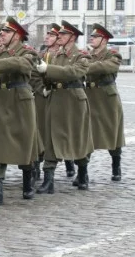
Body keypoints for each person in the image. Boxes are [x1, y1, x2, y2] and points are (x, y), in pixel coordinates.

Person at [0, 16, 39, 206]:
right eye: (2, 31)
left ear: (17, 35)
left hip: (20, 98)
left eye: (7, 31)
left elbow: (22, 64)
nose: (1, 34)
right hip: (1, 98)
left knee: (24, 141)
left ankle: (28, 182)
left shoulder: (27, 51)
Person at [36, 20, 93, 191]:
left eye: (63, 34)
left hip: (74, 100)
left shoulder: (82, 56)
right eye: (58, 34)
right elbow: (48, 76)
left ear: (72, 37)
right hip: (56, 98)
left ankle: (82, 173)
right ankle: (49, 180)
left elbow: (73, 72)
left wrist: (48, 70)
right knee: (51, 137)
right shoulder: (54, 55)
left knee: (77, 138)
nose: (59, 36)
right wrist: (43, 79)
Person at [85, 23, 125, 181]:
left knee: (112, 133)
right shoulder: (87, 55)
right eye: (92, 37)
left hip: (107, 99)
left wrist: (83, 66)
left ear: (104, 40)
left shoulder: (113, 55)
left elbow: (106, 68)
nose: (92, 39)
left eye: (96, 37)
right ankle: (83, 171)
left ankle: (116, 165)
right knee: (86, 134)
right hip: (89, 96)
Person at [32, 23, 61, 183]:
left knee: (58, 132)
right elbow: (33, 74)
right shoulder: (41, 55)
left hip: (60, 98)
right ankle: (36, 166)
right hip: (42, 99)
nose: (46, 38)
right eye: (47, 35)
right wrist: (41, 89)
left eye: (50, 35)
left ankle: (72, 164)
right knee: (40, 132)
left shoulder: (63, 56)